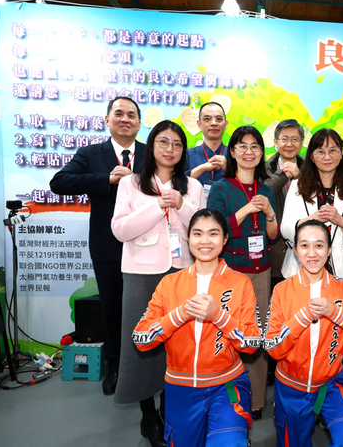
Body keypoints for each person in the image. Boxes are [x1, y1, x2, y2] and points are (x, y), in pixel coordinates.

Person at [133, 208, 261, 447]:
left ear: (225, 239)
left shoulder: (241, 283)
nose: (205, 241)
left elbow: (252, 344)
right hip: (180, 388)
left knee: (229, 443)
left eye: (213, 233)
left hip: (227, 384)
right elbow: (141, 339)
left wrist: (218, 316)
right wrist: (179, 315)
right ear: (188, 237)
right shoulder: (169, 283)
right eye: (198, 233)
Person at [111, 120, 203, 447]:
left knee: (177, 344)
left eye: (177, 144)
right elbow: (120, 230)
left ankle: (168, 408)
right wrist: (157, 204)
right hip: (140, 273)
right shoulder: (131, 183)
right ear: (151, 146)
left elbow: (202, 229)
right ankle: (148, 413)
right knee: (142, 341)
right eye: (163, 142)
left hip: (181, 272)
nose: (170, 149)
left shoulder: (192, 186)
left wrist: (181, 204)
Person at [50, 96, 144, 396]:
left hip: (147, 244)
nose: (125, 119)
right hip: (107, 245)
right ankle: (116, 367)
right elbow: (59, 182)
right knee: (112, 307)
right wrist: (107, 179)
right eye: (119, 113)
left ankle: (149, 367)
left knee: (148, 307)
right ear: (107, 120)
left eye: (132, 115)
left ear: (139, 124)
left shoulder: (151, 152)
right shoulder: (91, 153)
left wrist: (136, 180)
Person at [264, 219, 343, 447]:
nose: (312, 253)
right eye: (304, 245)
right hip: (291, 386)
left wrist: (336, 313)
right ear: (295, 250)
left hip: (331, 383)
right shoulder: (282, 290)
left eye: (319, 245)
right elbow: (273, 348)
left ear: (329, 250)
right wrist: (302, 318)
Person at [280, 128, 343, 389]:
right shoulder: (297, 186)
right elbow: (285, 229)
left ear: (341, 154)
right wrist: (308, 221)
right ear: (312, 155)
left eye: (333, 150)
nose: (327, 156)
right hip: (301, 272)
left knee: (339, 334)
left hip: (342, 272)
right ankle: (300, 384)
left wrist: (341, 221)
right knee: (303, 334)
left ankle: (339, 389)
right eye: (320, 151)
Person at [206, 125, 278, 419]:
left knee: (256, 335)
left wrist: (269, 213)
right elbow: (216, 230)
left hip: (261, 271)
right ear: (232, 152)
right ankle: (225, 398)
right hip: (230, 273)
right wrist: (247, 210)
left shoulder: (267, 189)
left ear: (261, 153)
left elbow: (273, 235)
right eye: (242, 146)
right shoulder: (221, 188)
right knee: (226, 334)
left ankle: (256, 400)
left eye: (255, 146)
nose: (249, 152)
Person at [264, 119, 305, 385]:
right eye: (284, 138)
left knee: (299, 311)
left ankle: (297, 362)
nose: (289, 144)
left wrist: (300, 176)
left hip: (304, 254)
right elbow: (264, 193)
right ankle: (272, 366)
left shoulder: (310, 167)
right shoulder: (264, 167)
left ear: (302, 142)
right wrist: (283, 175)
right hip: (274, 251)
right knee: (274, 312)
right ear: (276, 142)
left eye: (294, 139)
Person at [185, 101, 228, 200]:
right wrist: (202, 168)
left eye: (218, 119)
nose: (213, 123)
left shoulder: (235, 154)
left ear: (226, 124)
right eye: (207, 119)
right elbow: (176, 184)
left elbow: (244, 186)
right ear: (199, 124)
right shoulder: (187, 154)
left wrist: (228, 169)